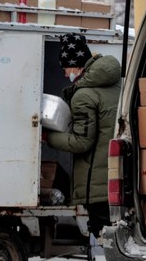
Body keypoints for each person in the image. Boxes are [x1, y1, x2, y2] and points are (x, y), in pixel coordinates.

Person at [47, 33, 121, 238]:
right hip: (117, 177)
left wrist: (48, 138)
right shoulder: (116, 85)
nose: (64, 74)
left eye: (65, 68)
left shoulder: (83, 96)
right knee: (116, 235)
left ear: (76, 64)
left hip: (96, 183)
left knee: (103, 234)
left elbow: (82, 142)